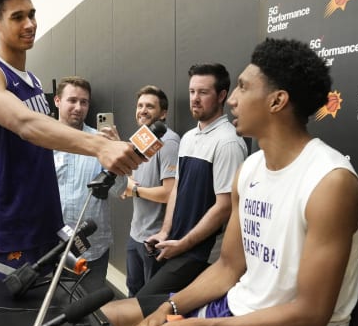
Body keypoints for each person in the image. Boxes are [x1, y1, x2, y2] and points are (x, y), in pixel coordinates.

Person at [102, 38, 358, 326]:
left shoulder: (331, 182)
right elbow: (228, 268)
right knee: (103, 324)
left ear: (277, 101)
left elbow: (311, 315)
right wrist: (167, 308)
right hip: (230, 309)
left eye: (243, 88)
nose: (232, 101)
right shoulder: (250, 169)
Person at [0, 0, 143, 282]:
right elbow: (25, 123)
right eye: (17, 17)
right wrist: (99, 145)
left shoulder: (31, 81)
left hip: (45, 226)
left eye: (31, 14)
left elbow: (44, 134)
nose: (30, 24)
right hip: (8, 232)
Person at [137, 63, 248, 297]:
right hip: (176, 246)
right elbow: (177, 188)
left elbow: (225, 206)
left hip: (202, 256)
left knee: (143, 304)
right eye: (192, 92)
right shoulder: (188, 137)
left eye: (203, 92)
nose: (195, 99)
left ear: (222, 96)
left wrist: (183, 244)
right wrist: (165, 233)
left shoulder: (228, 142)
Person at [52, 76, 128, 292]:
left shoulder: (102, 143)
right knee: (54, 310)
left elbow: (119, 189)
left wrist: (117, 154)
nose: (78, 107)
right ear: (58, 101)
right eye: (72, 100)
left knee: (90, 314)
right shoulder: (44, 141)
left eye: (84, 102)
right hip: (53, 247)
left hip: (94, 248)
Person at [121, 86, 180, 297]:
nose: (143, 110)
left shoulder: (169, 142)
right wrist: (127, 185)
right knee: (133, 292)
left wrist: (134, 190)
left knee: (150, 299)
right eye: (140, 105)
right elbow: (132, 179)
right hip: (135, 234)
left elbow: (169, 192)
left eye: (150, 106)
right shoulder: (141, 139)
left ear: (163, 113)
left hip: (153, 240)